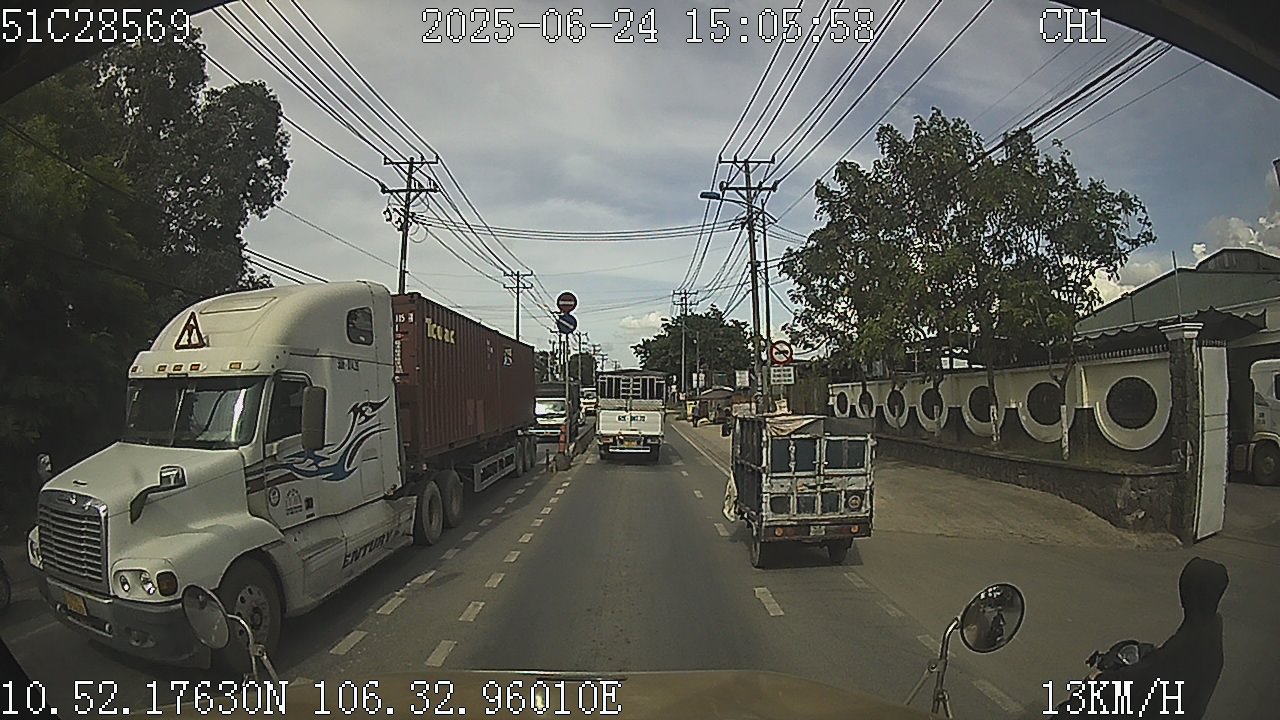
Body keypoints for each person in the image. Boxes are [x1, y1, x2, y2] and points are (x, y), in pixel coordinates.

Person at [1056, 556, 1228, 719]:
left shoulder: (1183, 647)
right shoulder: (1209, 631)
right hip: (1177, 709)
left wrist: (1098, 679)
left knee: (1075, 709)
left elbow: (1139, 681)